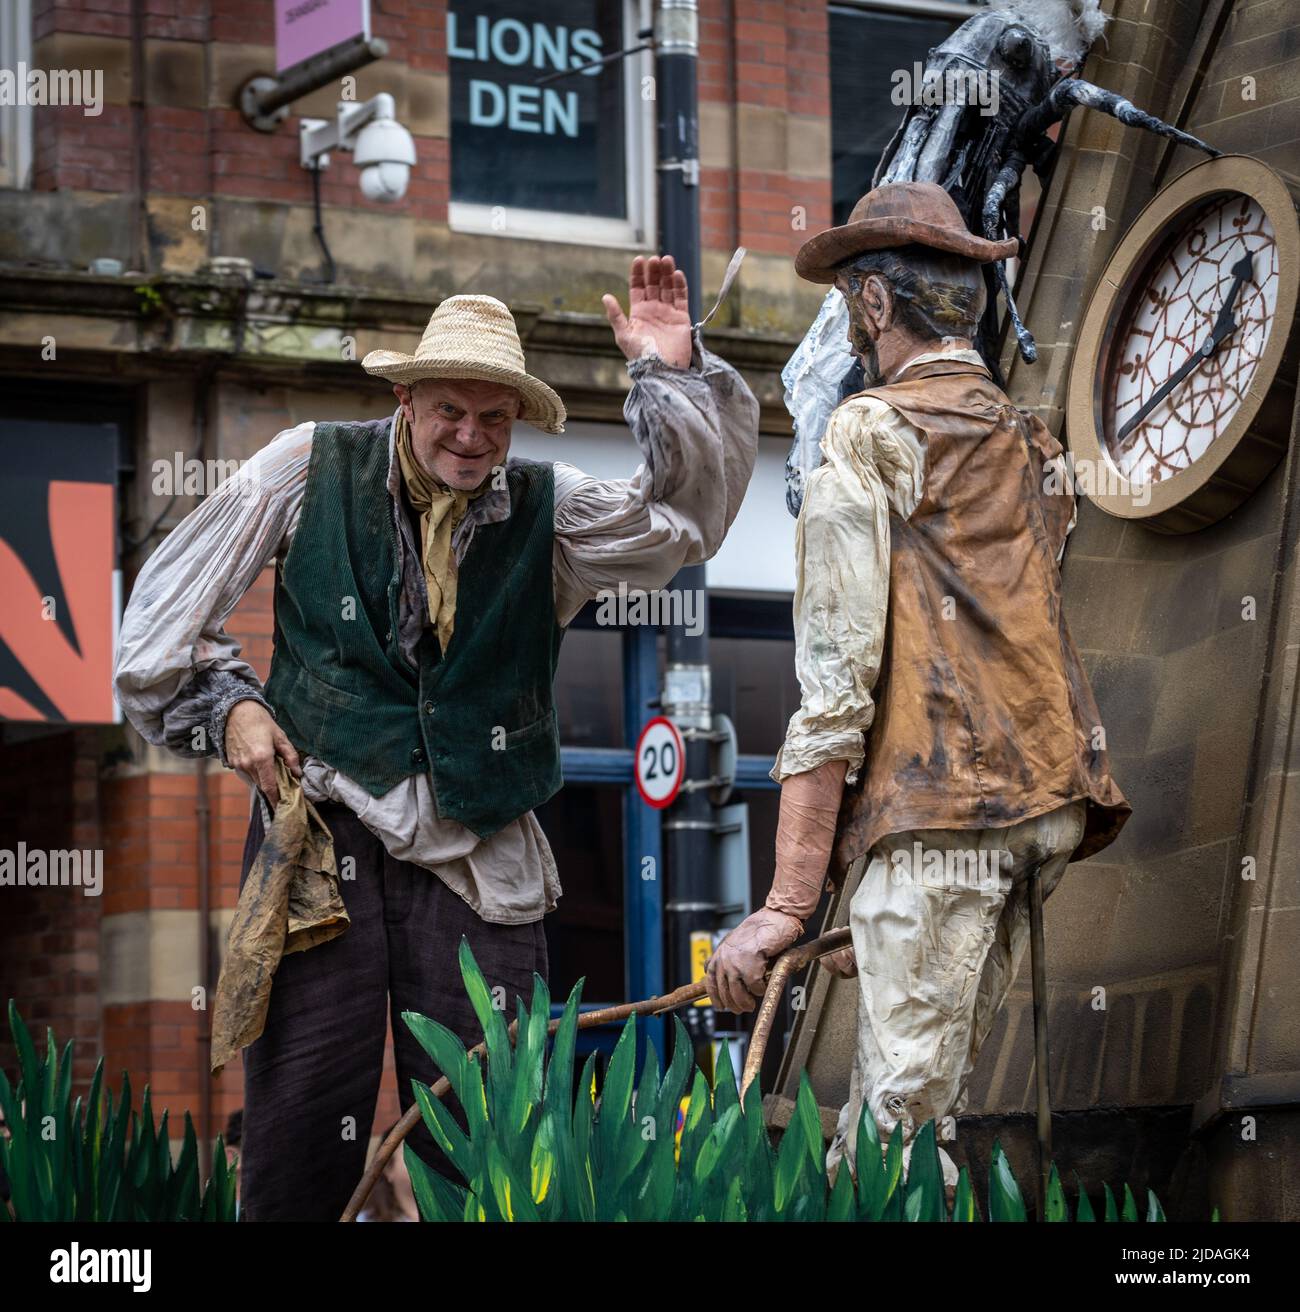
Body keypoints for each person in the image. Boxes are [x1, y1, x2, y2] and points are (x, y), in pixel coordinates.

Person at [115, 255, 759, 1220]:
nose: (472, 435)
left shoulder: (550, 508)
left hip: (479, 840)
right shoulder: (305, 464)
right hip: (323, 834)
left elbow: (681, 523)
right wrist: (233, 706)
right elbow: (157, 630)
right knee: (302, 1115)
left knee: (493, 1119)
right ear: (407, 397)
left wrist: (667, 376)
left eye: (494, 417)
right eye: (451, 410)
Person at [706, 183, 1129, 1186]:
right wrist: (869, 871)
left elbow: (838, 683)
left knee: (891, 1136)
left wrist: (787, 901)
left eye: (851, 301)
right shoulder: (1032, 442)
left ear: (875, 308)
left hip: (947, 812)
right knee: (927, 1096)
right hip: (1046, 806)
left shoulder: (864, 431)